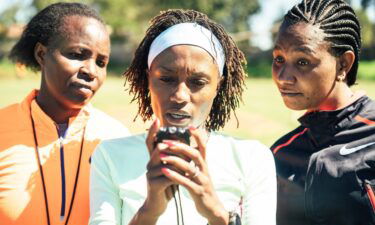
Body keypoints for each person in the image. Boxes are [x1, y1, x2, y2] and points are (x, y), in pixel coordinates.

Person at [89, 9, 276, 225]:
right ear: (148, 79)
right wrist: (149, 211)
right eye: (166, 79)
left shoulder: (251, 158)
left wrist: (216, 213)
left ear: (218, 86)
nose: (179, 96)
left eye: (198, 82)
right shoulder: (110, 156)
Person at [0, 3, 130, 225]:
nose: (91, 71)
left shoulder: (116, 138)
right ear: (42, 54)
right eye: (78, 54)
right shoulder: (4, 127)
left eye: (101, 62)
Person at [270, 0, 375, 224]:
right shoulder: (279, 157)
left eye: (302, 61)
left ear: (343, 65)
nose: (283, 77)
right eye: (279, 59)